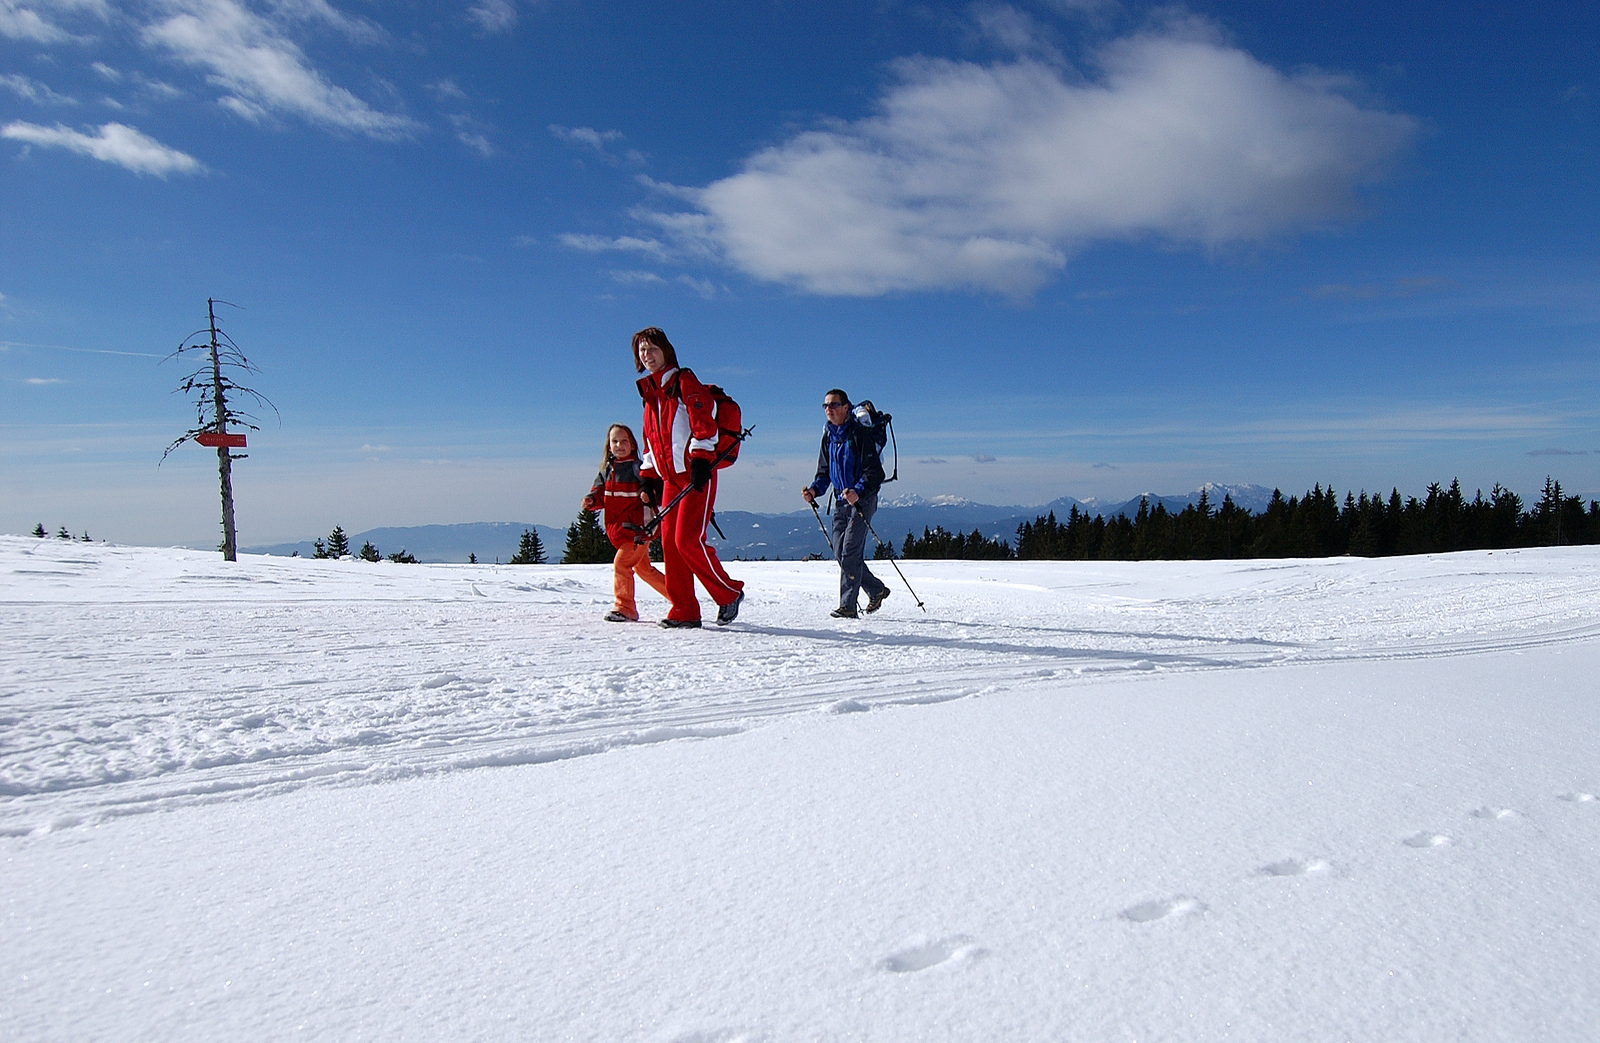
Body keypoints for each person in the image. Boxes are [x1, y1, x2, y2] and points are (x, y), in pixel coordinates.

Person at [632, 326, 745, 628]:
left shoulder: (684, 382)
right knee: (670, 544)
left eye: (652, 348)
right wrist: (648, 478)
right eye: (642, 350)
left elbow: (703, 422)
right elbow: (650, 443)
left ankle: (729, 593)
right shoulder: (650, 396)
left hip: (697, 473)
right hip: (670, 479)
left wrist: (700, 460)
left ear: (665, 351)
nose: (647, 355)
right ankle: (684, 610)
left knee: (687, 540)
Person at [802, 389, 891, 618]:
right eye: (825, 406)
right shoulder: (829, 438)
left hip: (862, 501)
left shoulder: (859, 435)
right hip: (841, 501)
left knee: (850, 552)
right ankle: (876, 589)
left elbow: (875, 473)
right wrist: (814, 490)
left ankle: (848, 606)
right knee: (841, 553)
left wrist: (858, 491)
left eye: (834, 405)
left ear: (846, 407)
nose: (828, 409)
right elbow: (824, 473)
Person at [581, 423, 670, 622]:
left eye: (624, 441)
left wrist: (649, 495)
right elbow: (598, 493)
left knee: (621, 564)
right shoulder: (607, 471)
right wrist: (591, 500)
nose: (619, 445)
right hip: (620, 530)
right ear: (608, 445)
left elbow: (657, 489)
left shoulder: (639, 468)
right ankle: (680, 598)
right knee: (643, 569)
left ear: (632, 444)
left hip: (637, 530)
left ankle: (625, 607)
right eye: (615, 441)